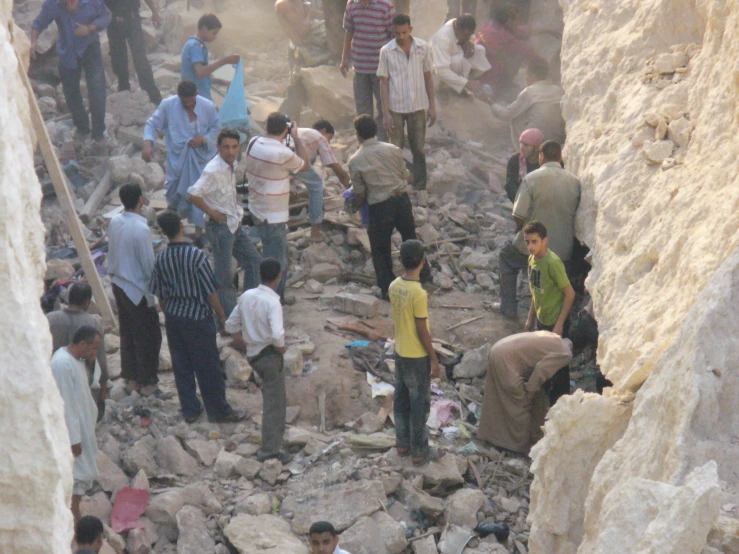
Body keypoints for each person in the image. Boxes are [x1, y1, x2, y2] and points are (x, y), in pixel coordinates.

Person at [150, 211, 248, 423]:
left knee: (182, 365)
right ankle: (218, 410)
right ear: (181, 228)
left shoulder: (161, 259)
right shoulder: (195, 256)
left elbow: (160, 294)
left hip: (175, 318)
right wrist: (222, 316)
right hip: (197, 317)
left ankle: (190, 409)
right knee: (208, 366)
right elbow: (210, 292)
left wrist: (169, 314)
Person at [497, 140, 580, 319]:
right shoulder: (575, 181)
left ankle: (509, 308)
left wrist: (519, 230)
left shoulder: (532, 178)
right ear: (560, 157)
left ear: (541, 157)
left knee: (507, 258)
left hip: (535, 245)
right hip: (563, 250)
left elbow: (518, 213)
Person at [188, 129, 262, 317]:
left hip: (233, 223)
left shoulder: (231, 164)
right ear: (218, 148)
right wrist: (212, 213)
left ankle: (248, 309)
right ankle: (229, 321)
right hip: (220, 228)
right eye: (226, 147)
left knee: (254, 261)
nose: (230, 151)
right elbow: (193, 194)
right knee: (224, 278)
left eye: (234, 147)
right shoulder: (213, 170)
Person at [348, 115, 423, 299]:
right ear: (375, 130)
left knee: (380, 250)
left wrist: (354, 207)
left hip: (379, 206)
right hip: (401, 200)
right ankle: (422, 278)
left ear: (358, 135)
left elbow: (359, 193)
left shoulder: (355, 160)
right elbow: (406, 176)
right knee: (410, 239)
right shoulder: (393, 149)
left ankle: (388, 290)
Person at [225, 259, 290, 463]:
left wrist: (244, 343)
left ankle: (272, 442)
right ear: (278, 277)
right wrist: (281, 349)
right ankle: (270, 450)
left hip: (253, 354)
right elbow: (278, 334)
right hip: (269, 355)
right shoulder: (273, 302)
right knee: (275, 404)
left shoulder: (246, 296)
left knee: (271, 399)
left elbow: (230, 325)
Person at [143, 80, 221, 243]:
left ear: (196, 96)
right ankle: (175, 234)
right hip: (178, 159)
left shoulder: (207, 106)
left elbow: (216, 128)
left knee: (201, 193)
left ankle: (200, 234)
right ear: (179, 98)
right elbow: (151, 124)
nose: (189, 107)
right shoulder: (168, 105)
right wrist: (148, 144)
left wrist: (204, 139)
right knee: (174, 192)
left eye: (192, 104)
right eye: (185, 104)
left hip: (201, 160)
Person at [244, 112, 310, 303]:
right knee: (276, 263)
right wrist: (296, 137)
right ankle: (273, 301)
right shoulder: (282, 153)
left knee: (262, 258)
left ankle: (260, 297)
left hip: (257, 209)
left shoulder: (254, 142)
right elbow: (304, 164)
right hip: (274, 217)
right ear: (286, 129)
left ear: (266, 127)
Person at [107, 183, 163, 397]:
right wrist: (156, 293)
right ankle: (148, 383)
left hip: (119, 284)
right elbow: (148, 266)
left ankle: (131, 379)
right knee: (149, 336)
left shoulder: (115, 222)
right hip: (136, 289)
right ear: (140, 199)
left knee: (128, 333)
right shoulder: (140, 229)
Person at [477, 331, 572, 454]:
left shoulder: (555, 338)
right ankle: (516, 447)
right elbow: (541, 370)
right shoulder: (566, 354)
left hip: (498, 349)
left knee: (496, 396)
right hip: (506, 360)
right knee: (521, 402)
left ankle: (490, 435)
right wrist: (530, 391)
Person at [389, 240, 440, 466]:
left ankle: (402, 443)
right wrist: (434, 358)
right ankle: (419, 450)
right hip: (417, 357)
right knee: (419, 404)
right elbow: (421, 329)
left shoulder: (394, 286)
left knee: (401, 400)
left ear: (401, 260)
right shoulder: (418, 293)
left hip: (400, 352)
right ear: (422, 261)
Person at [31, 0, 112, 142]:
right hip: (67, 51)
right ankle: (82, 129)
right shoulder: (53, 3)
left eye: (72, 2)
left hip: (90, 47)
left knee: (97, 88)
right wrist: (33, 41)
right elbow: (38, 23)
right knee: (70, 92)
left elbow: (106, 16)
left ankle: (98, 133)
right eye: (66, 3)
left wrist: (90, 28)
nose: (69, 6)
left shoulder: (92, 2)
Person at [378, 14, 436, 197]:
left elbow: (428, 76)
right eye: (397, 33)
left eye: (404, 32)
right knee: (394, 148)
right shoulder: (386, 51)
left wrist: (432, 105)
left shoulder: (423, 48)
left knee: (418, 148)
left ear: (410, 29)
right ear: (392, 32)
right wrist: (385, 113)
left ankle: (420, 185)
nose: (401, 36)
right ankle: (395, 185)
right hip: (396, 106)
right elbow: (384, 82)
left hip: (418, 106)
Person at [50, 325, 102, 523]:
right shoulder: (62, 364)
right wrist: (74, 440)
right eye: (93, 348)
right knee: (78, 474)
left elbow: (91, 382)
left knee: (83, 472)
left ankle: (73, 512)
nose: (95, 353)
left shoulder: (76, 360)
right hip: (74, 431)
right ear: (82, 344)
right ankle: (72, 515)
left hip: (84, 425)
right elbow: (67, 405)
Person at [47, 282, 108, 416]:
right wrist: (101, 398)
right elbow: (101, 363)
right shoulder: (92, 323)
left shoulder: (50, 319)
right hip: (81, 384)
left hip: (53, 381)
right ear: (87, 301)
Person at [475, 4, 556, 101]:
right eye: (516, 20)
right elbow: (525, 51)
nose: (518, 23)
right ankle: (495, 94)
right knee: (515, 60)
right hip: (487, 68)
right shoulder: (501, 35)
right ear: (509, 21)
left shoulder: (492, 24)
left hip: (485, 60)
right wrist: (545, 65)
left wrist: (546, 31)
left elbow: (520, 31)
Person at [340, 0, 396, 141]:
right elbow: (349, 31)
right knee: (363, 109)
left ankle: (383, 142)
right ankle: (366, 142)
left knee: (384, 107)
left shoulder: (386, 6)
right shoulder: (352, 4)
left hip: (381, 68)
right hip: (360, 65)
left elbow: (394, 36)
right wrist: (344, 58)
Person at [290, 120, 351, 242]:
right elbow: (338, 171)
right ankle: (315, 231)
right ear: (324, 131)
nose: (328, 143)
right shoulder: (319, 137)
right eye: (329, 138)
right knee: (317, 186)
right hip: (292, 158)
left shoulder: (304, 134)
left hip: (280, 155)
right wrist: (352, 189)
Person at [491, 57, 566, 148]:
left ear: (533, 76)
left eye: (526, 75)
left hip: (539, 139)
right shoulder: (558, 90)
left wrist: (491, 103)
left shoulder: (529, 92)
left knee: (515, 117)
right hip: (559, 138)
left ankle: (524, 148)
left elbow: (506, 114)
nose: (525, 78)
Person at [104, 0, 162, 105]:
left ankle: (153, 96)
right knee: (118, 58)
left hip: (132, 17)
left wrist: (154, 11)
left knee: (140, 58)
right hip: (112, 20)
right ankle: (123, 91)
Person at [180, 14, 240, 101]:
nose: (215, 37)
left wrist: (223, 82)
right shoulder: (195, 46)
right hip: (196, 99)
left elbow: (200, 77)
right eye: (214, 33)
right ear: (204, 29)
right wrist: (225, 61)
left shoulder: (198, 45)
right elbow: (200, 72)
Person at [430, 13, 491, 97]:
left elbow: (471, 37)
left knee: (480, 50)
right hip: (437, 72)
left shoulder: (461, 25)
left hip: (457, 60)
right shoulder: (441, 38)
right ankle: (455, 86)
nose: (468, 37)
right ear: (456, 30)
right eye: (466, 36)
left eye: (469, 35)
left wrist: (469, 43)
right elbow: (441, 71)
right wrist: (466, 83)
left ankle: (464, 83)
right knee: (457, 60)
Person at [276, 0, 331, 80]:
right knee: (299, 81)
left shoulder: (300, 4)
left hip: (310, 48)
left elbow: (316, 14)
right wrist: (308, 15)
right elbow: (301, 33)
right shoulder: (284, 5)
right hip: (301, 50)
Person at [505, 127, 542, 202]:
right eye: (521, 144)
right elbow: (510, 184)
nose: (522, 148)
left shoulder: (544, 161)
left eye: (526, 145)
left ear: (536, 147)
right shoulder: (515, 160)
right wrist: (520, 202)